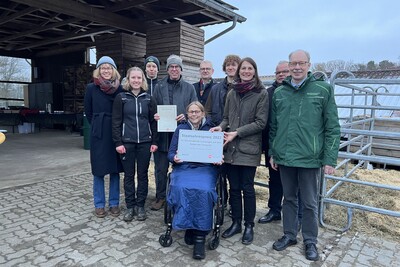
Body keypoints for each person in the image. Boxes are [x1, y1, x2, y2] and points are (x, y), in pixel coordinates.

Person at [269, 49, 340, 261]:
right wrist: (273, 152)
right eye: (294, 63)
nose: (297, 67)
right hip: (285, 156)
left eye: (302, 63)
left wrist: (329, 158)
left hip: (310, 157)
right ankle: (289, 234)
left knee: (309, 202)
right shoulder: (280, 93)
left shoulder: (322, 90)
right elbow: (274, 126)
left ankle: (310, 240)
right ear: (288, 66)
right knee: (288, 198)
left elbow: (333, 127)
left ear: (309, 65)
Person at [211, 57, 268, 245]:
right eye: (243, 68)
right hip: (231, 148)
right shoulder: (232, 92)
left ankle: (249, 225)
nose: (246, 71)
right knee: (233, 188)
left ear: (255, 71)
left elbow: (261, 123)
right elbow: (226, 117)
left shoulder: (261, 93)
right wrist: (221, 127)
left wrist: (238, 132)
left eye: (249, 68)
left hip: (248, 149)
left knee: (247, 188)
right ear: (238, 71)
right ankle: (236, 222)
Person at [167, 101, 221, 260]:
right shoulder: (181, 129)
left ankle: (199, 238)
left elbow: (217, 152)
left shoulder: (211, 129)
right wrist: (174, 158)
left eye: (197, 112)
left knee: (204, 190)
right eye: (191, 112)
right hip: (184, 167)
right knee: (179, 186)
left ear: (203, 113)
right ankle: (188, 226)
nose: (194, 115)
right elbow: (170, 153)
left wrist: (218, 159)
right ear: (187, 114)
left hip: (205, 169)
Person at [258, 61, 303, 226]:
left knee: (295, 183)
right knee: (274, 180)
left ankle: (297, 217)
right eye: (278, 73)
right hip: (273, 144)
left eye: (284, 71)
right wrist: (266, 147)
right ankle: (274, 210)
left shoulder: (298, 92)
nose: (281, 75)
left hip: (294, 145)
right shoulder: (268, 93)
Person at [151, 54, 198, 210]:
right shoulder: (159, 87)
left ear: (181, 70)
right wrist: (155, 115)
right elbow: (153, 108)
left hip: (181, 135)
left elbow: (195, 110)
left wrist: (186, 116)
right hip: (162, 136)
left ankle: (179, 197)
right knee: (160, 169)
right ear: (167, 69)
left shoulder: (189, 88)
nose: (174, 69)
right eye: (171, 67)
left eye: (177, 67)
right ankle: (160, 197)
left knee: (181, 169)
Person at [112, 67, 158, 222]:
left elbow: (153, 122)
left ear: (143, 80)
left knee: (143, 175)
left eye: (139, 78)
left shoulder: (149, 98)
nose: (136, 80)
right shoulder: (121, 98)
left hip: (145, 143)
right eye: (133, 78)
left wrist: (154, 141)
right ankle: (130, 207)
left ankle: (140, 206)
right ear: (128, 79)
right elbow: (116, 121)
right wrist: (118, 142)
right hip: (127, 143)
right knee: (129, 176)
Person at [84, 56, 123, 218]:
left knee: (115, 169)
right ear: (98, 70)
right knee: (99, 170)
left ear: (114, 70)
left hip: (116, 131)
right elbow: (88, 112)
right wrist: (98, 124)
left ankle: (114, 203)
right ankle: (99, 204)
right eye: (103, 68)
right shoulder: (91, 88)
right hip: (99, 133)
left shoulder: (120, 89)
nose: (106, 70)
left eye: (109, 67)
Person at [204, 54, 241, 213]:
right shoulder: (216, 88)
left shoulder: (242, 87)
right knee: (220, 172)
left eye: (234, 65)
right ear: (224, 68)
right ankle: (222, 201)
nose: (231, 68)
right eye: (228, 65)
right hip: (218, 136)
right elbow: (208, 110)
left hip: (236, 137)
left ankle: (235, 205)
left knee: (235, 176)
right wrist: (216, 126)